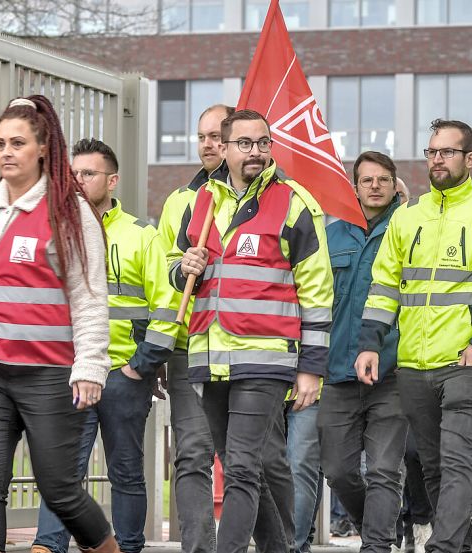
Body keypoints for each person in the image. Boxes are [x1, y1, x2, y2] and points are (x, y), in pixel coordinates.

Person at [0, 95, 119, 552]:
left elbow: (90, 299)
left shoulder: (68, 212)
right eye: (0, 144)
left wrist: (91, 367)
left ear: (41, 148)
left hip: (49, 374)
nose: (6, 152)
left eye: (18, 142)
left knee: (59, 489)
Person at [356, 119, 472, 553]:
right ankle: (458, 543)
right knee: (431, 465)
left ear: (469, 159)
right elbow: (384, 286)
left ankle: (445, 547)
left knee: (457, 461)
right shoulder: (407, 217)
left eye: (447, 152)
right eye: (432, 151)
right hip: (414, 364)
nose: (437, 159)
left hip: (466, 364)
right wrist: (369, 343)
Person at [170, 108, 333, 553]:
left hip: (266, 357)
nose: (256, 152)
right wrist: (183, 267)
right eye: (245, 144)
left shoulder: (293, 203)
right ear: (223, 149)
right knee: (242, 466)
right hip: (209, 357)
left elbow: (317, 292)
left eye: (263, 143)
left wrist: (311, 367)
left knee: (241, 469)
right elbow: (176, 269)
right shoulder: (202, 202)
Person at [31, 139, 179, 553]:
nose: (77, 181)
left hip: (122, 374)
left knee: (126, 471)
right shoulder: (55, 230)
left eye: (88, 174)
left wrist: (142, 365)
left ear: (112, 180)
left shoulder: (141, 235)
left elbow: (166, 305)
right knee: (61, 472)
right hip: (70, 371)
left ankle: (128, 547)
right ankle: (49, 545)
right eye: (73, 173)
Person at [321, 151, 409, 553]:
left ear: (395, 185)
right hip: (338, 370)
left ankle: (377, 544)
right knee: (338, 471)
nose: (375, 186)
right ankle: (372, 523)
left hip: (392, 373)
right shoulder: (331, 234)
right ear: (354, 186)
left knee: (385, 470)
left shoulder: (410, 231)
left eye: (383, 179)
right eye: (367, 180)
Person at [156, 103, 233, 553]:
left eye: (218, 136)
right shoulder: (180, 202)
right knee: (191, 456)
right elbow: (164, 270)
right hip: (190, 348)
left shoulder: (264, 199)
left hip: (248, 350)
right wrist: (179, 268)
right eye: (202, 136)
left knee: (250, 461)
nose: (209, 143)